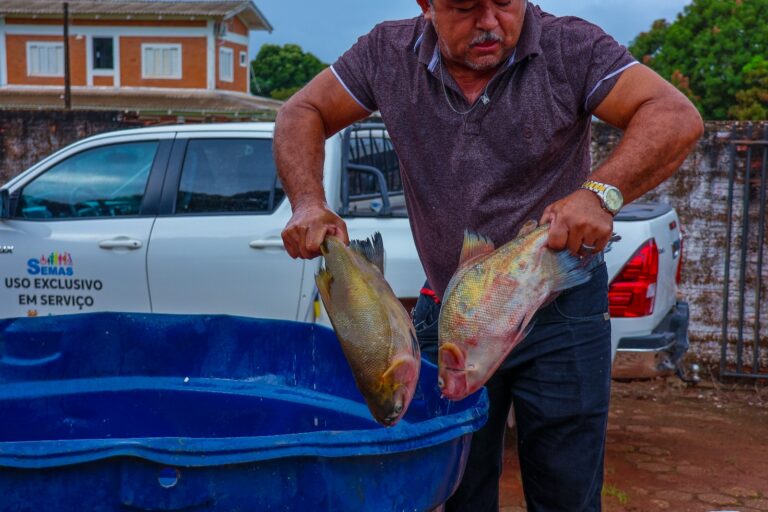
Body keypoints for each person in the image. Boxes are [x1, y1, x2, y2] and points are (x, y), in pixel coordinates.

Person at [273, 0, 703, 510]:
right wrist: (307, 202)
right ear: (427, 5)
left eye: (504, 2)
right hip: (452, 309)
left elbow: (674, 115)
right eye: (465, 6)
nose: (489, 22)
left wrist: (599, 193)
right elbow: (301, 110)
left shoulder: (570, 47)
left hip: (559, 303)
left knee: (567, 492)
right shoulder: (386, 54)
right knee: (460, 489)